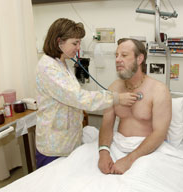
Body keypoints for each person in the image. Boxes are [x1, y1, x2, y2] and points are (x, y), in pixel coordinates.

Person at [35, 18, 138, 169]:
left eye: (79, 43)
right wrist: (116, 98)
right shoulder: (48, 68)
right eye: (74, 43)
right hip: (54, 145)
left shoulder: (62, 63)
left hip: (69, 142)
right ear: (59, 42)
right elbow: (79, 98)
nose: (78, 48)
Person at [98, 38, 172, 174]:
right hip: (118, 146)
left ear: (139, 59)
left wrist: (129, 159)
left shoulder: (159, 90)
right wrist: (103, 152)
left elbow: (159, 133)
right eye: (116, 55)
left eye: (124, 55)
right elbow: (106, 125)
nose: (117, 60)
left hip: (147, 150)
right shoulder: (114, 88)